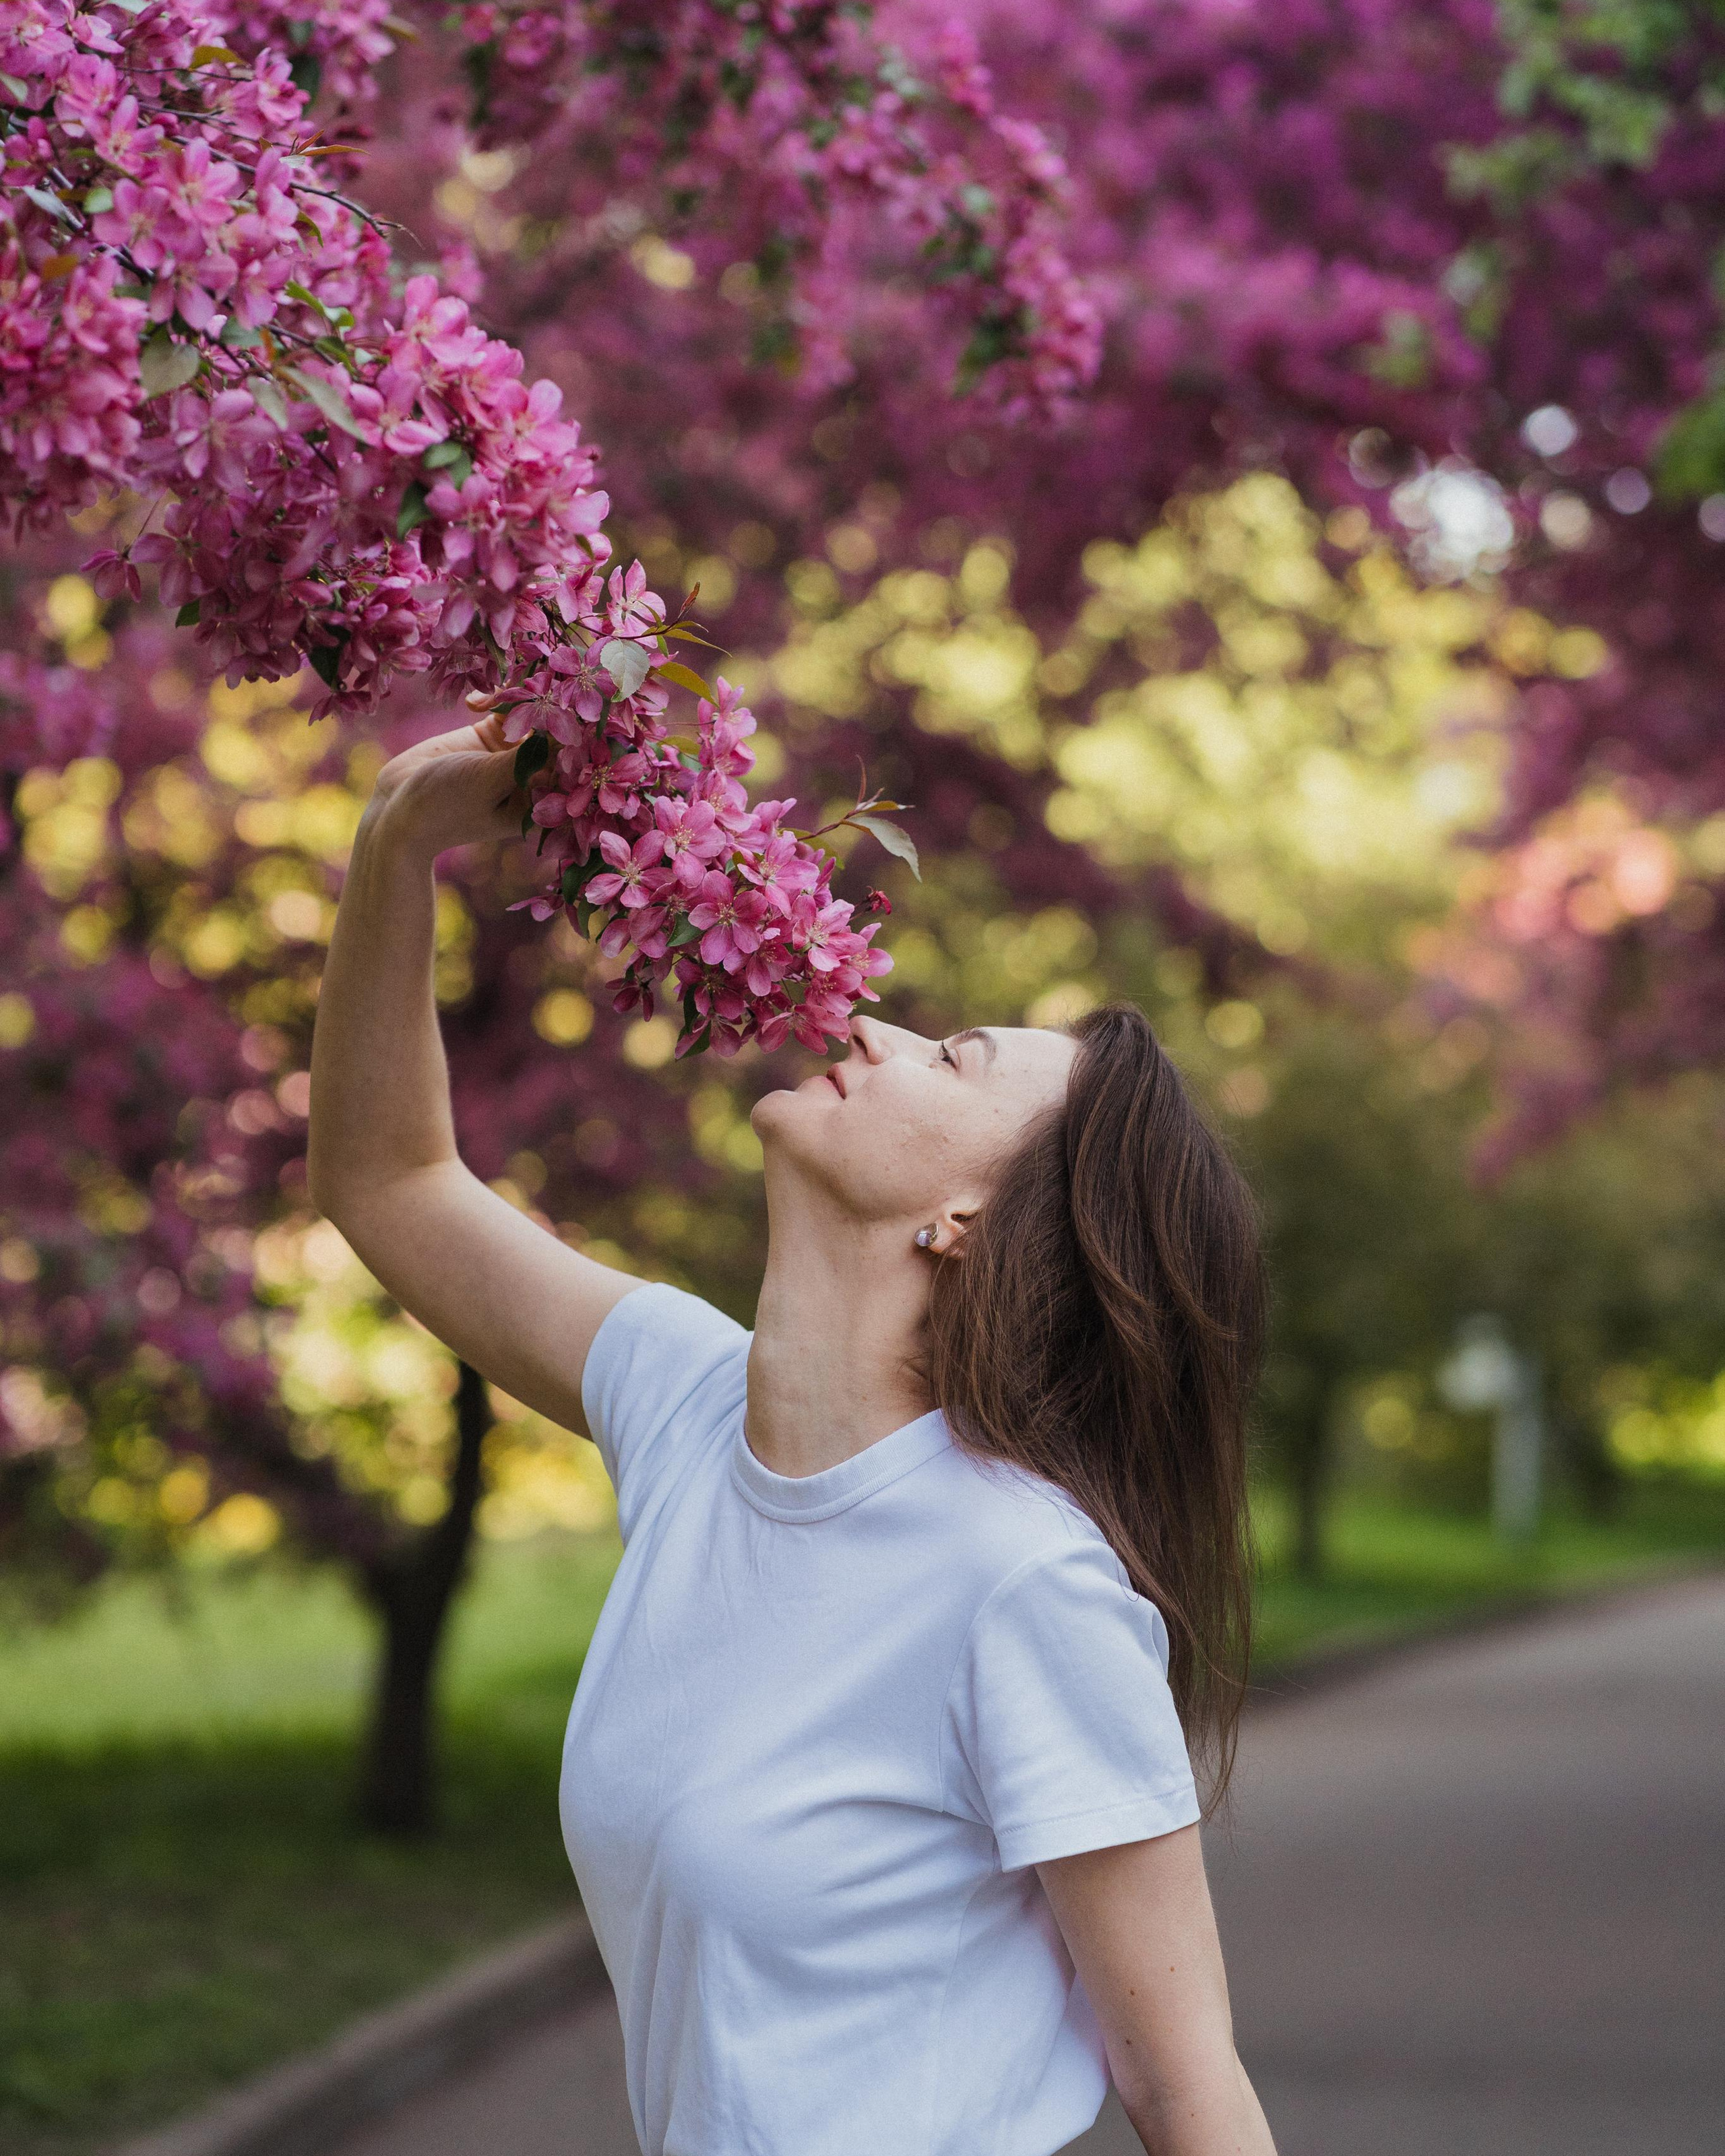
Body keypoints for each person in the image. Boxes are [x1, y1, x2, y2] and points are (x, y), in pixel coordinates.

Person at [309, 711, 1280, 2156]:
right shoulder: (691, 1409)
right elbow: (386, 1178)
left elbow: (1182, 2082)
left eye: (949, 1058)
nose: (874, 1030)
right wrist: (399, 836)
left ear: (968, 1223)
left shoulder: (1022, 1580)